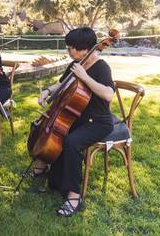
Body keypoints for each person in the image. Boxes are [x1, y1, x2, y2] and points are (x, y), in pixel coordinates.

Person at [33, 27, 115, 217]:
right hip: (78, 117)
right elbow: (60, 84)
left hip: (98, 122)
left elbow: (108, 94)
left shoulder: (101, 67)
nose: (68, 51)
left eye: (72, 48)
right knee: (54, 131)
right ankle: (47, 173)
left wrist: (85, 77)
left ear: (85, 49)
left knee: (71, 142)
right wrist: (47, 91)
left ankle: (73, 197)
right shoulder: (76, 63)